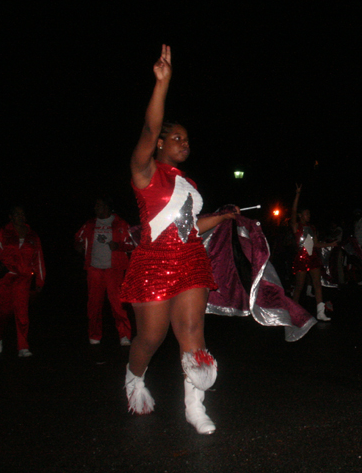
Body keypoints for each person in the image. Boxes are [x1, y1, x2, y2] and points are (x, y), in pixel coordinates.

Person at [120, 46, 237, 435]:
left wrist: (221, 217)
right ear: (159, 144)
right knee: (150, 338)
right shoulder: (145, 172)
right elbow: (149, 129)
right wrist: (162, 84)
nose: (184, 142)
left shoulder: (188, 183)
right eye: (176, 137)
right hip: (153, 264)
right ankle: (134, 378)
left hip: (190, 260)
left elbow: (189, 227)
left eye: (187, 138)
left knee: (192, 334)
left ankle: (195, 407)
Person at [74, 197, 134, 346]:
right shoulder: (90, 224)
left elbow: (132, 243)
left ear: (107, 207)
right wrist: (78, 247)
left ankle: (124, 335)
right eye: (96, 205)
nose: (96, 208)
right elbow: (78, 239)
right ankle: (94, 335)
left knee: (117, 304)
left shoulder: (120, 223)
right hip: (94, 268)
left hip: (114, 269)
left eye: (100, 205)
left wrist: (119, 246)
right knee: (94, 304)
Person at [0, 206, 45, 357]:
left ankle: (23, 347)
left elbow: (38, 259)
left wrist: (40, 281)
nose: (20, 216)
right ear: (11, 217)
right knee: (4, 312)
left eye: (22, 213)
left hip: (23, 278)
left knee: (22, 313)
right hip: (6, 277)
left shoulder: (32, 236)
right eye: (17, 214)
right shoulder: (2, 232)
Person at [290, 184, 337, 321]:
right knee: (299, 287)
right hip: (301, 258)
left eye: (309, 213)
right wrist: (298, 194)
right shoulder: (296, 226)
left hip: (312, 258)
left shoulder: (312, 227)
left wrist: (330, 244)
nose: (309, 215)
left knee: (317, 285)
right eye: (306, 213)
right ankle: (292, 311)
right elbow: (293, 211)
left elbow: (316, 244)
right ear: (300, 215)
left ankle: (320, 313)